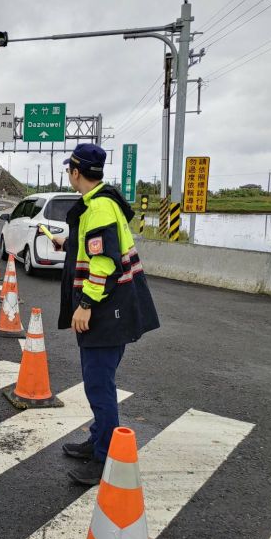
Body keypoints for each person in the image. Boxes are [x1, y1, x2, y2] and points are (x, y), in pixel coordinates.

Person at [51, 143, 160, 486]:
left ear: (76, 172)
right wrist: (67, 245)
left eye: (69, 169)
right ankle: (98, 439)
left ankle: (106, 456)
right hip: (116, 306)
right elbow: (95, 247)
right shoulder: (103, 203)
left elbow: (104, 261)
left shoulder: (98, 207)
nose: (69, 174)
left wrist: (85, 305)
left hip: (106, 309)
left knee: (99, 385)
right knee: (98, 380)